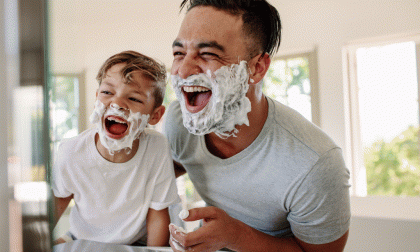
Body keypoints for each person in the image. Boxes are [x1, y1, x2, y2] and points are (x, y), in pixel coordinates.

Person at [163, 0, 351, 251]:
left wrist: (236, 237)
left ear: (256, 67)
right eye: (179, 53)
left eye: (208, 53)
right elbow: (163, 170)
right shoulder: (179, 123)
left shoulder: (315, 163)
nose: (183, 70)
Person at [52, 51, 180, 246]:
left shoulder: (156, 147)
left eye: (134, 99)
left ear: (155, 115)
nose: (117, 104)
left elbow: (158, 217)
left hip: (136, 242)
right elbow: (54, 209)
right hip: (82, 239)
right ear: (96, 98)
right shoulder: (71, 152)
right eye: (107, 92)